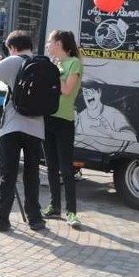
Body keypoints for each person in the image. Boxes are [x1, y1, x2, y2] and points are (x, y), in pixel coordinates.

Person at [0, 30, 46, 232]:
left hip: (13, 126)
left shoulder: (12, 61)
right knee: (32, 173)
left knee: (8, 173)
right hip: (37, 127)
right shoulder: (43, 64)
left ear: (12, 48)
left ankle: (1, 218)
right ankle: (35, 218)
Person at [41, 30, 83, 229]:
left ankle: (71, 211)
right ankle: (54, 206)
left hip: (64, 121)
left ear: (58, 43)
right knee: (50, 165)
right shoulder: (52, 64)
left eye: (50, 41)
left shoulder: (73, 63)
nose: (48, 45)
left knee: (66, 168)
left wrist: (56, 71)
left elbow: (66, 91)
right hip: (48, 118)